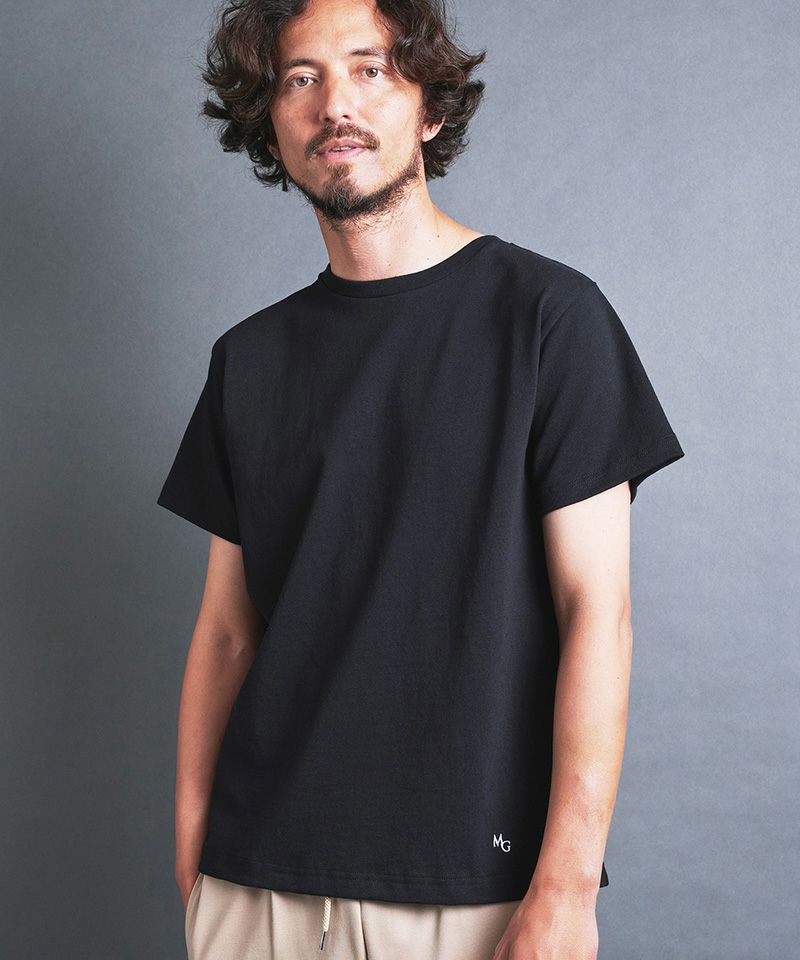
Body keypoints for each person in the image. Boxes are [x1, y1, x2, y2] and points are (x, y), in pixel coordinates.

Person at [156, 0, 685, 957]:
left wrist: (567, 888)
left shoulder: (549, 319)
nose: (335, 103)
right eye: (301, 78)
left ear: (430, 108)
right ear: (271, 125)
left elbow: (596, 613)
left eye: (370, 69)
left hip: (471, 886)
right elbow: (228, 630)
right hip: (256, 879)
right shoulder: (249, 359)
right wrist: (192, 850)